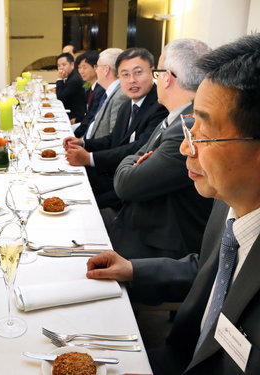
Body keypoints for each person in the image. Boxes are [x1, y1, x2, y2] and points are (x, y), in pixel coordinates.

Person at [87, 33, 260, 375]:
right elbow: (212, 269)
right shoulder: (228, 204)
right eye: (189, 130)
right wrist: (135, 269)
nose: (186, 148)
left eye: (205, 135)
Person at [105, 39, 213, 260]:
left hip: (159, 247)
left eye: (157, 73)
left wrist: (132, 161)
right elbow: (134, 157)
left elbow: (126, 184)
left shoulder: (188, 126)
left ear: (168, 77)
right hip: (142, 226)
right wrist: (134, 160)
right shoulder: (174, 117)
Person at [64, 48, 168, 209]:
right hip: (112, 173)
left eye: (138, 72)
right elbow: (114, 138)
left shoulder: (159, 106)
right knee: (66, 184)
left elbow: (139, 147)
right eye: (125, 74)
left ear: (153, 72)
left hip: (130, 187)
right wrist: (84, 144)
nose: (132, 80)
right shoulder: (128, 105)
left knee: (77, 206)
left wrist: (90, 158)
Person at [81, 48, 129, 140]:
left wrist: (86, 149)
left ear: (106, 70)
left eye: (97, 66)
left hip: (96, 150)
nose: (96, 70)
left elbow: (113, 138)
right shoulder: (109, 91)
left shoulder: (120, 96)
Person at [74, 50, 106, 137]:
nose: (81, 71)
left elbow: (91, 117)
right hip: (85, 126)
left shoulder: (101, 90)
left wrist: (75, 135)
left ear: (96, 67)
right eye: (79, 67)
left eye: (84, 67)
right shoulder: (90, 86)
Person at [55, 52, 86, 124]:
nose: (61, 68)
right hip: (70, 111)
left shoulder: (74, 79)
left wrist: (59, 79)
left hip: (74, 117)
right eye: (59, 66)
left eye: (64, 65)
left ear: (72, 65)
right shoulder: (72, 75)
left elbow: (60, 97)